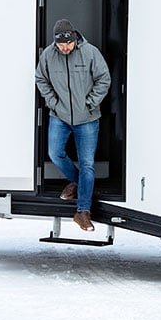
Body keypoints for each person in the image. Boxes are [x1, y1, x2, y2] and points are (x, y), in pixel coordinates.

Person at [35, 18, 111, 232]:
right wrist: (53, 103)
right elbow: (41, 79)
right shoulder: (49, 55)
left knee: (87, 164)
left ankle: (83, 212)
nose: (65, 48)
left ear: (74, 38)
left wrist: (90, 103)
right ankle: (78, 182)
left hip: (87, 118)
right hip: (60, 116)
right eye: (60, 45)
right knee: (55, 153)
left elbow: (104, 79)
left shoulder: (90, 53)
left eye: (68, 44)